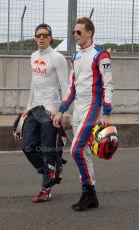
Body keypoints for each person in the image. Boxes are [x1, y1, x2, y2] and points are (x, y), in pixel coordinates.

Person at [53, 17, 113, 211]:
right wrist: (62, 110)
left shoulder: (101, 55)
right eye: (74, 32)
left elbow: (108, 85)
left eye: (78, 32)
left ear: (89, 33)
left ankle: (88, 193)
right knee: (84, 152)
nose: (75, 35)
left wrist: (106, 113)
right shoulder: (76, 56)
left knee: (76, 150)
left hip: (92, 107)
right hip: (78, 108)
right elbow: (72, 87)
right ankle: (90, 195)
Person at [15, 23, 69, 203]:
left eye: (45, 35)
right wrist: (27, 107)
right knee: (27, 146)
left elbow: (65, 87)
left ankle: (46, 187)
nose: (41, 38)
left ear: (51, 37)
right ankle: (55, 167)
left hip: (50, 110)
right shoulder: (33, 56)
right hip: (35, 108)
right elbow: (34, 84)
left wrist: (63, 112)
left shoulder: (58, 58)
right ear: (35, 37)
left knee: (47, 151)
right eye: (38, 35)